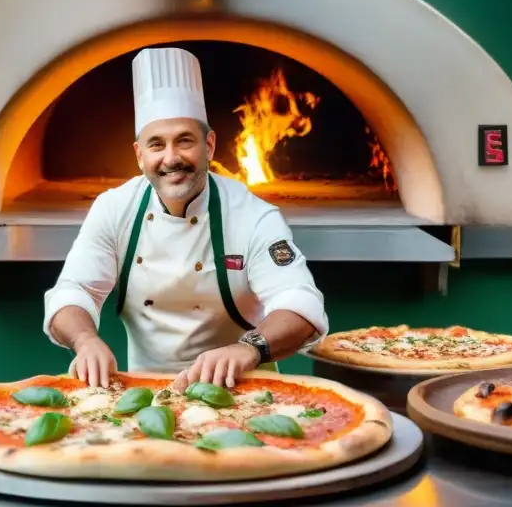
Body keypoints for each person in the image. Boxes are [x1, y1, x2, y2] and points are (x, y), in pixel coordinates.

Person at [42, 47, 328, 390]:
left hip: (244, 390)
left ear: (209, 145)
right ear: (139, 155)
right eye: (156, 144)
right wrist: (85, 340)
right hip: (145, 392)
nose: (171, 158)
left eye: (184, 141)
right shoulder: (114, 208)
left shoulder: (252, 215)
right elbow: (73, 290)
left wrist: (248, 349)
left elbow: (300, 302)